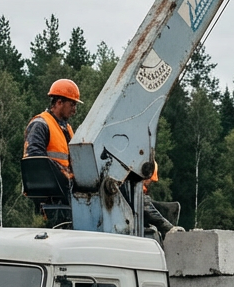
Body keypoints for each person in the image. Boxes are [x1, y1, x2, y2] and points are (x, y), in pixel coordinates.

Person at [24, 78, 181, 236]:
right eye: (72, 104)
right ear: (59, 102)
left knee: (118, 183)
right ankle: (160, 222)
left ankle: (152, 217)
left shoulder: (66, 128)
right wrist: (66, 174)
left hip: (68, 185)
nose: (75, 109)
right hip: (57, 189)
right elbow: (36, 161)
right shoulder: (41, 124)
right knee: (110, 187)